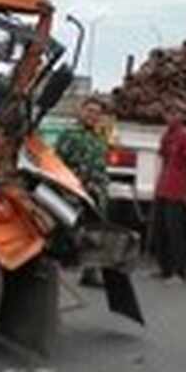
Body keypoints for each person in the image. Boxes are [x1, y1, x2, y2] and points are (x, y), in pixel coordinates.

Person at [55, 97, 111, 286]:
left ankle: (91, 272)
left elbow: (102, 165)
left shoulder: (99, 138)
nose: (93, 116)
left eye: (97, 113)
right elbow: (57, 163)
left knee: (95, 232)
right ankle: (56, 269)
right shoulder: (70, 135)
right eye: (89, 111)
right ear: (81, 112)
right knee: (68, 230)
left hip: (97, 192)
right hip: (76, 191)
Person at [153, 110, 186, 284]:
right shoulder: (166, 136)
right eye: (168, 113)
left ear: (181, 116)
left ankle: (179, 273)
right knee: (160, 230)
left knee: (174, 232)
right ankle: (165, 269)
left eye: (175, 114)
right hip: (163, 188)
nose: (170, 117)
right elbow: (162, 159)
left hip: (178, 191)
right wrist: (157, 185)